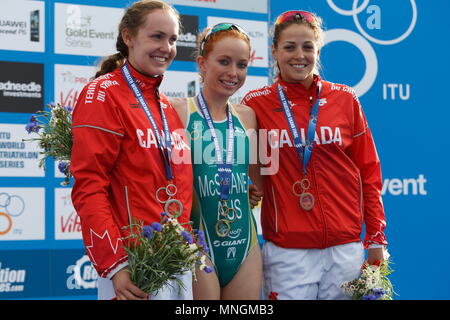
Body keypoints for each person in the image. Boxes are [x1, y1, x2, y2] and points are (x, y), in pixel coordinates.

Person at [241, 10, 388, 300]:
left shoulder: (345, 99)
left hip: (344, 248)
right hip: (287, 252)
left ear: (317, 50)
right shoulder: (255, 104)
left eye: (308, 46)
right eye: (289, 46)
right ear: (274, 52)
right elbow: (242, 166)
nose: (299, 54)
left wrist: (375, 236)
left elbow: (369, 171)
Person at [70, 0, 193, 300]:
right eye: (156, 36)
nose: (166, 47)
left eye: (173, 39)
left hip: (174, 260)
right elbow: (89, 186)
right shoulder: (103, 94)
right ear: (128, 37)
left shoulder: (166, 106)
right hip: (132, 265)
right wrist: (115, 264)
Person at [168, 23, 263, 300]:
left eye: (242, 64)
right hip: (198, 244)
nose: (233, 72)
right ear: (202, 63)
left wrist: (251, 191)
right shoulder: (179, 112)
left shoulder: (248, 116)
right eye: (224, 61)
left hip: (245, 244)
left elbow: (257, 185)